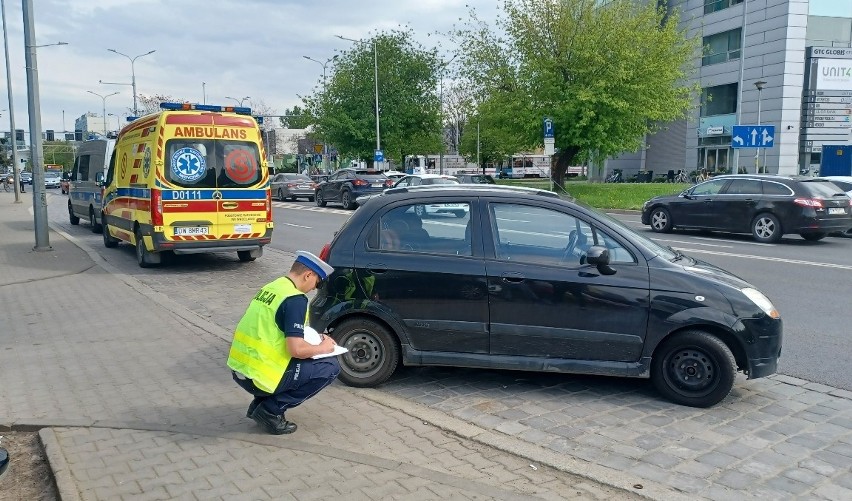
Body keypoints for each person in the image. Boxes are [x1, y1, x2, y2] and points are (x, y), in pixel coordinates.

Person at [227, 251, 340, 435]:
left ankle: (259, 404)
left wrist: (313, 339)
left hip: (242, 369)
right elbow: (296, 350)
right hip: (260, 376)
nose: (314, 288)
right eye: (317, 282)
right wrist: (324, 348)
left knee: (305, 359)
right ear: (308, 275)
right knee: (330, 367)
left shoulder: (273, 287)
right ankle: (270, 411)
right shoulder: (295, 299)